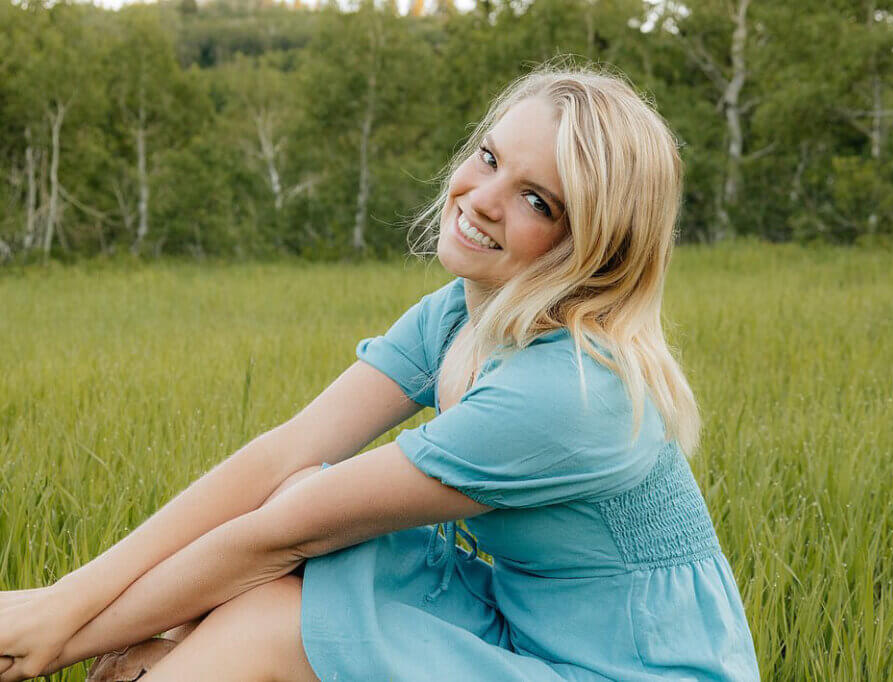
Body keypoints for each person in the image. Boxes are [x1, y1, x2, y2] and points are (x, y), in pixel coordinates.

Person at [0, 61, 760, 681]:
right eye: (490, 158)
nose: (482, 199)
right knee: (299, 502)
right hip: (522, 618)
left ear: (594, 247)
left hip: (624, 669)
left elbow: (280, 538)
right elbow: (288, 455)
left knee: (270, 622)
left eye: (536, 200)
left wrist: (60, 634)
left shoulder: (567, 395)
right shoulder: (464, 314)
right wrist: (61, 601)